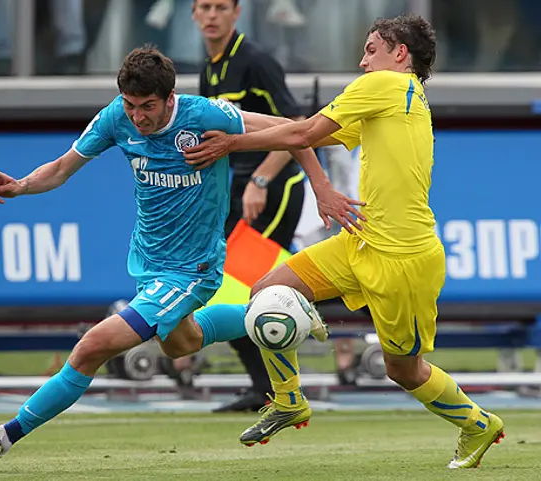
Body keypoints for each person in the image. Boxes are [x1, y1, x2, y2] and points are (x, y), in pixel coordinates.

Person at [0, 45, 363, 466]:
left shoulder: (204, 115)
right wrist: (21, 186)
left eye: (147, 106)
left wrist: (320, 188)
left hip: (192, 269)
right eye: (130, 105)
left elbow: (294, 131)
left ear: (170, 98)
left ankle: (4, 436)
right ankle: (280, 311)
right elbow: (61, 168)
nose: (137, 117)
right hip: (149, 262)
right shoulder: (115, 117)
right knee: (181, 343)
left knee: (92, 346)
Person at [184, 15, 505, 469]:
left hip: (403, 259)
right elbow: (310, 136)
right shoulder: (399, 96)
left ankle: (477, 423)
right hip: (360, 239)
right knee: (268, 291)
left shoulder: (387, 85)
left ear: (400, 54)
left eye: (371, 50)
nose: (362, 61)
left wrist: (231, 142)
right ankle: (288, 400)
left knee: (403, 370)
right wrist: (318, 183)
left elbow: (303, 133)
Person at [187, 0, 307, 412]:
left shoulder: (256, 61)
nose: (212, 15)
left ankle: (276, 389)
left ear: (236, 13)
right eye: (204, 7)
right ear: (193, 13)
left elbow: (298, 128)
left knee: (250, 290)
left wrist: (260, 180)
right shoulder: (209, 68)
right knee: (228, 291)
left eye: (220, 7)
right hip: (238, 191)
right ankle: (266, 388)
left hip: (274, 190)